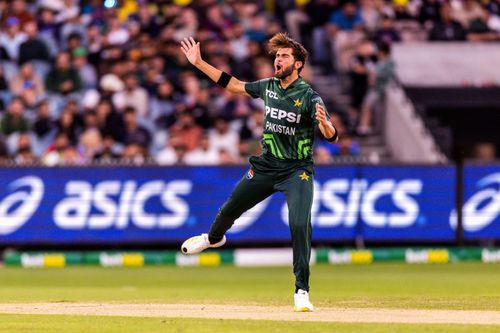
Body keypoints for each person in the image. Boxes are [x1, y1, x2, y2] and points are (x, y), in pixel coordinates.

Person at [179, 33, 338, 312]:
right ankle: (213, 239)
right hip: (266, 166)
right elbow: (234, 85)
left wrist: (325, 126)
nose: (278, 59)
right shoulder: (268, 86)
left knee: (300, 225)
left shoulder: (310, 97)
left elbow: (332, 135)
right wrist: (199, 63)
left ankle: (302, 291)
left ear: (298, 64)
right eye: (277, 56)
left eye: (284, 56)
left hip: (296, 171)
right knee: (229, 209)